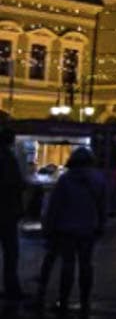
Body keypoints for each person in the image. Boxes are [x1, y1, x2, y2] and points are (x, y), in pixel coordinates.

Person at [38, 147, 106, 317]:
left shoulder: (65, 180)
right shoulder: (98, 179)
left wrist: (49, 228)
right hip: (88, 228)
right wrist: (101, 225)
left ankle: (64, 300)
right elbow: (103, 206)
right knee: (86, 265)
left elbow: (55, 207)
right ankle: (85, 301)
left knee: (67, 265)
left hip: (66, 229)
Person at [0, 127, 25, 302]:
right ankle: (11, 288)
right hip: (7, 211)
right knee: (11, 252)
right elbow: (15, 183)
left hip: (6, 209)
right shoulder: (8, 158)